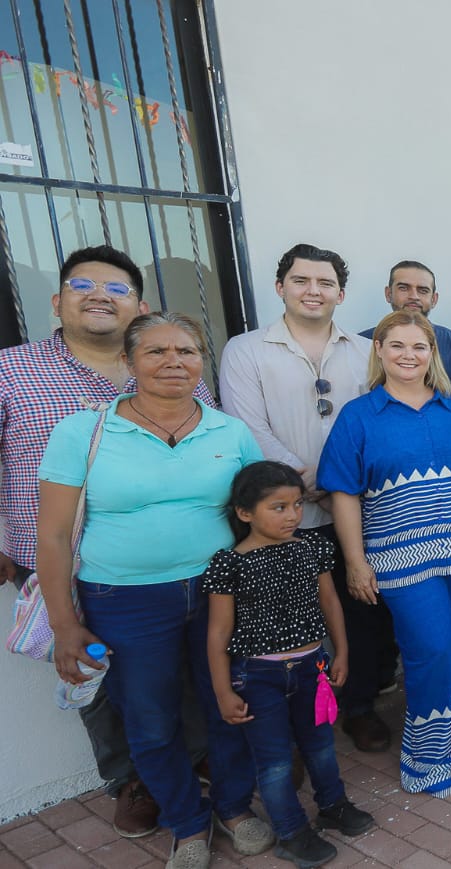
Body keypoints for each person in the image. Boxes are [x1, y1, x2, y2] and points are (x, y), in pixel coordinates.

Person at [38, 312, 271, 867]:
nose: (174, 362)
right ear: (128, 362)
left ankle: (234, 808)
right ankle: (187, 823)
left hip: (219, 592)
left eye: (186, 351)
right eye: (157, 351)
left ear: (201, 362)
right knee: (149, 717)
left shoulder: (230, 431)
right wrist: (64, 623)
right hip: (124, 599)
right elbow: (52, 535)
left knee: (228, 701)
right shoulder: (83, 431)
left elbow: (257, 516)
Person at [0, 245, 212, 838]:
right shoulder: (12, 371)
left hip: (171, 563)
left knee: (183, 668)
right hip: (57, 557)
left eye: (116, 288)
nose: (99, 295)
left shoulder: (172, 369)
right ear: (56, 301)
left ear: (138, 307)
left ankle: (197, 760)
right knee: (93, 674)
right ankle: (131, 778)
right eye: (82, 285)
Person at [220, 242, 397, 756]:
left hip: (354, 509)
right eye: (301, 280)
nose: (313, 291)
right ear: (281, 287)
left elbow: (377, 421)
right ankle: (291, 730)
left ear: (341, 294)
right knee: (283, 620)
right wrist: (307, 483)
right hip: (282, 516)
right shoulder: (246, 350)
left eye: (325, 283)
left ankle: (358, 707)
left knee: (362, 612)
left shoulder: (364, 350)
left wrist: (340, 481)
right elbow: (249, 428)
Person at [318, 311, 451, 796]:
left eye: (419, 346)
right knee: (431, 651)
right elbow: (343, 493)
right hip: (401, 561)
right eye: (397, 345)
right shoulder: (359, 416)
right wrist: (355, 562)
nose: (408, 355)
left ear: (432, 353)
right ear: (378, 350)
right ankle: (434, 759)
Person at [203, 461, 375, 867]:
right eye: (278, 507)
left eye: (297, 505)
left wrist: (341, 652)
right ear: (245, 512)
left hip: (312, 668)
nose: (292, 515)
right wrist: (223, 691)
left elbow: (330, 601)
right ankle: (291, 832)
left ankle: (332, 805)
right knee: (276, 759)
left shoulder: (311, 547)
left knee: (320, 745)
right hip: (257, 676)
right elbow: (218, 633)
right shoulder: (229, 564)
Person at [359, 260, 451, 413]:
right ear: (388, 294)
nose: (414, 296)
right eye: (403, 288)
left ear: (434, 299)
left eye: (423, 290)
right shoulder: (362, 344)